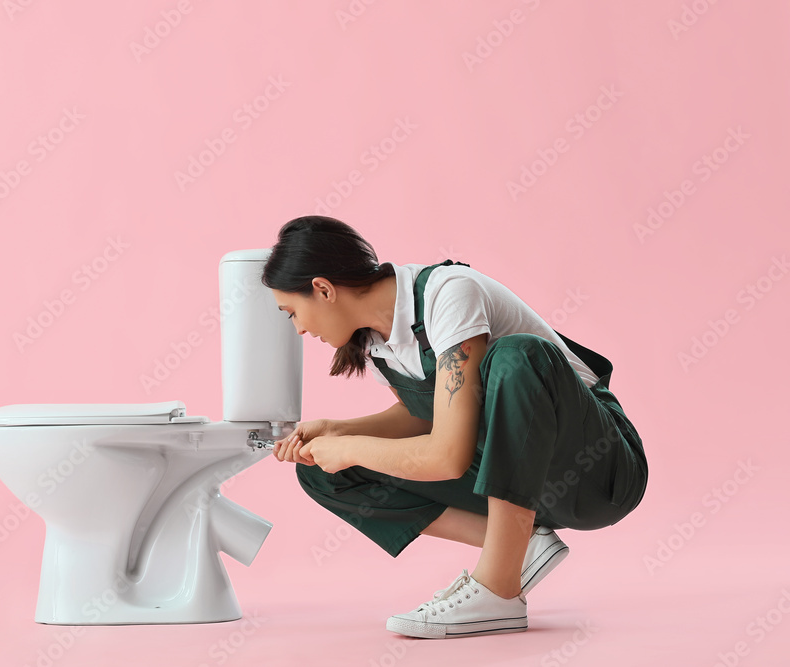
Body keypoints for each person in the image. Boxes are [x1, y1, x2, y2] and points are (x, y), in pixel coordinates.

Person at [261, 215, 648, 639]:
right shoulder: (375, 343)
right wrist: (336, 430)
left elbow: (447, 455)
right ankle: (521, 546)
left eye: (292, 312)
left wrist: (351, 447)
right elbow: (427, 414)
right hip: (522, 482)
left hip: (600, 471)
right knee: (320, 470)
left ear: (323, 289)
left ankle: (498, 587)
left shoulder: (448, 295)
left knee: (516, 356)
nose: (299, 327)